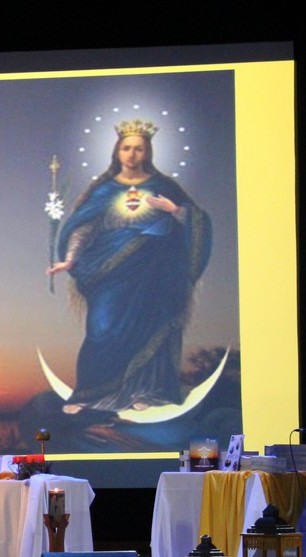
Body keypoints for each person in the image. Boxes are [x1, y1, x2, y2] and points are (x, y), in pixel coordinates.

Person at [47, 119, 212, 414]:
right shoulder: (103, 190)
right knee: (101, 327)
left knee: (148, 324)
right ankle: (90, 393)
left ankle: (144, 390)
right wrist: (70, 258)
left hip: (154, 269)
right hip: (109, 270)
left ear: (147, 152)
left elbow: (197, 220)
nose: (132, 154)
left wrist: (174, 210)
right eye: (126, 148)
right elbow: (84, 227)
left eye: (138, 148)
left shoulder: (163, 187)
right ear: (117, 151)